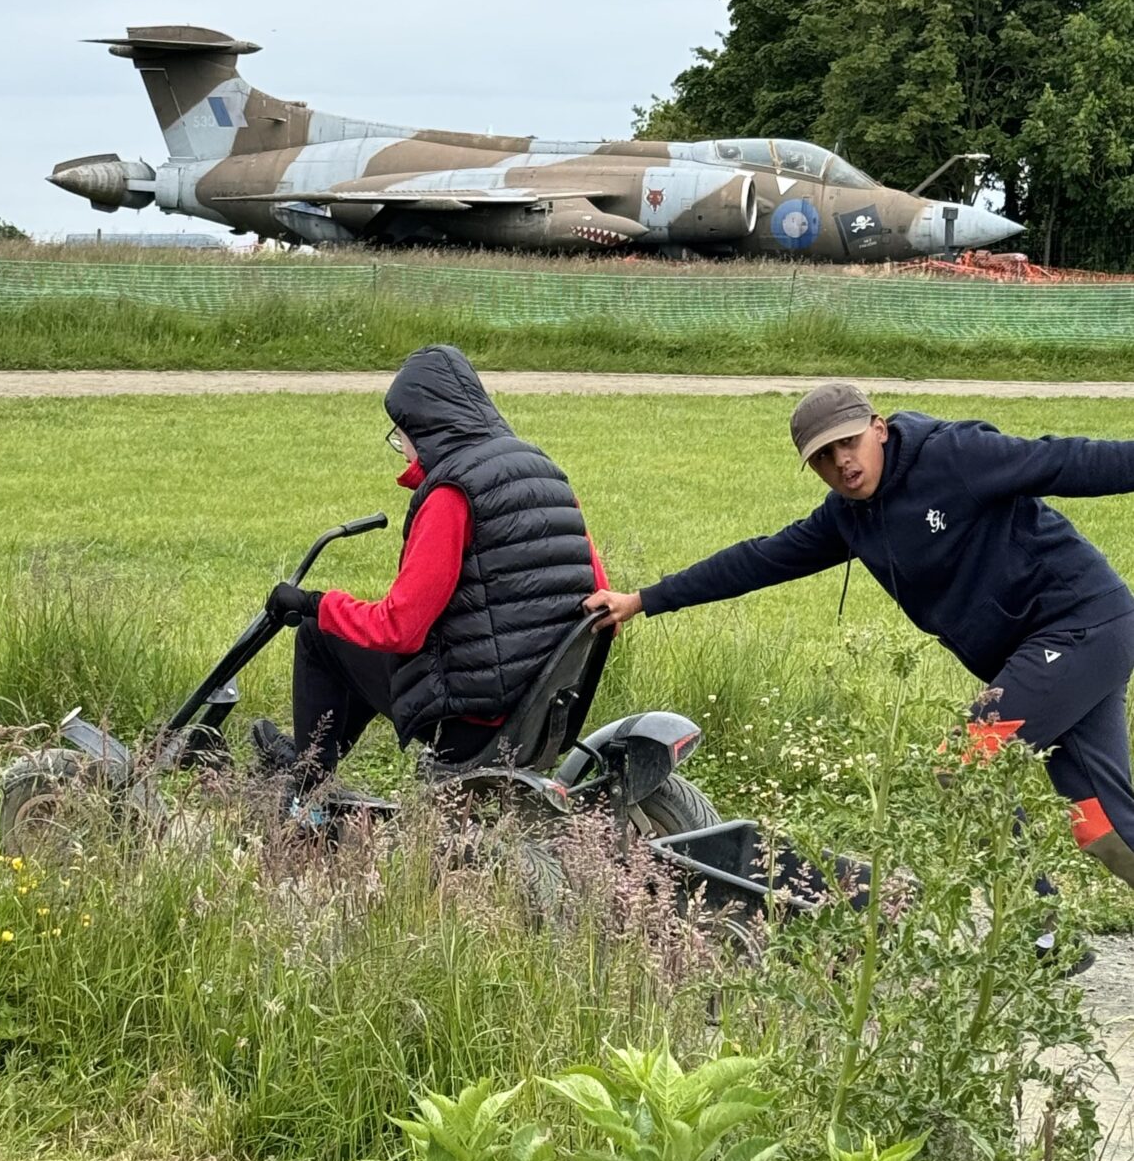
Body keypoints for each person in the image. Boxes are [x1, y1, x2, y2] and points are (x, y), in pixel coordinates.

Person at [586, 381, 1134, 922]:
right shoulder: (848, 518)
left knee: (966, 760)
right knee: (1102, 826)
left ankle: (1035, 926)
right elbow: (758, 560)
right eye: (824, 457)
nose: (842, 462)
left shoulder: (955, 456)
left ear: (879, 429)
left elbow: (1068, 460)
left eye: (849, 443)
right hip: (1052, 651)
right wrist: (643, 600)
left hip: (1082, 624)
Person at [255, 344, 608, 801]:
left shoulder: (452, 492)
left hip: (472, 723)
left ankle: (305, 792)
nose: (401, 447)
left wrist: (310, 603)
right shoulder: (546, 474)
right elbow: (603, 606)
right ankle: (315, 760)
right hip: (543, 714)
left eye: (400, 433)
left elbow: (399, 629)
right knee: (357, 642)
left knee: (319, 634)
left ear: (427, 426)